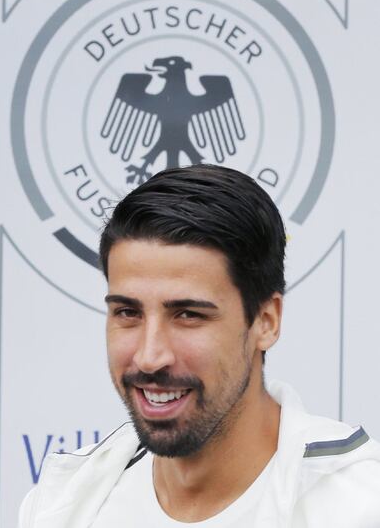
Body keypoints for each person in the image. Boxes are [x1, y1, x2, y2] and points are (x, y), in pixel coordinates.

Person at [19, 165, 380, 527]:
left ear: (266, 322)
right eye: (128, 312)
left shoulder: (360, 506)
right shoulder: (61, 504)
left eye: (188, 315)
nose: (150, 357)